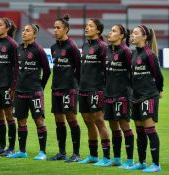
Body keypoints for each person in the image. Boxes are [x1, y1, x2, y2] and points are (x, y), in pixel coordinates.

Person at [6, 24, 50, 160]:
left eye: (28, 31)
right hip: (20, 91)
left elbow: (47, 71)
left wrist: (39, 87)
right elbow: (15, 70)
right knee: (21, 121)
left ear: (34, 35)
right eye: (24, 30)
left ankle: (42, 152)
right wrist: (14, 86)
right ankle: (22, 151)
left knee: (39, 120)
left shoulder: (39, 50)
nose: (24, 32)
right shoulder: (18, 49)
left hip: (34, 92)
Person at [126, 25, 163, 173]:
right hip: (135, 97)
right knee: (139, 130)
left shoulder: (149, 54)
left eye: (135, 33)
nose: (132, 36)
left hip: (148, 96)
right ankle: (141, 162)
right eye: (132, 33)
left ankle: (156, 164)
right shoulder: (134, 54)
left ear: (144, 37)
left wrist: (159, 90)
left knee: (149, 129)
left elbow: (158, 75)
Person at [47, 15, 81, 162]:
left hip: (69, 89)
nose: (55, 30)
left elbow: (79, 69)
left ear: (66, 29)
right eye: (54, 28)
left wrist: (77, 87)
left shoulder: (72, 46)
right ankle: (62, 152)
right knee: (58, 120)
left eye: (58, 28)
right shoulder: (54, 48)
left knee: (71, 119)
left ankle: (76, 154)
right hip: (56, 88)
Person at [78, 19, 111, 165]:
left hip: (97, 89)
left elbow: (107, 70)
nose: (87, 27)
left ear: (98, 30)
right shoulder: (85, 45)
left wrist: (104, 89)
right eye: (86, 25)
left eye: (91, 26)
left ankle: (107, 157)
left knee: (99, 121)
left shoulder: (102, 47)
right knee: (87, 121)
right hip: (83, 89)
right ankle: (93, 155)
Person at [103, 24, 134, 167]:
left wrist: (131, 93)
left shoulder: (126, 51)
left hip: (122, 95)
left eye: (114, 31)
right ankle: (116, 159)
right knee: (114, 127)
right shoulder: (107, 50)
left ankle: (129, 160)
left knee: (124, 126)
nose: (110, 33)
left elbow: (133, 73)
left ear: (121, 36)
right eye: (110, 30)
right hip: (109, 93)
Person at [0, 17, 18, 156]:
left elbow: (17, 67)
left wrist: (13, 86)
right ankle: (1, 146)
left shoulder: (12, 44)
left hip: (6, 86)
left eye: (0, 25)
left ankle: (11, 147)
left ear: (7, 28)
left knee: (8, 115)